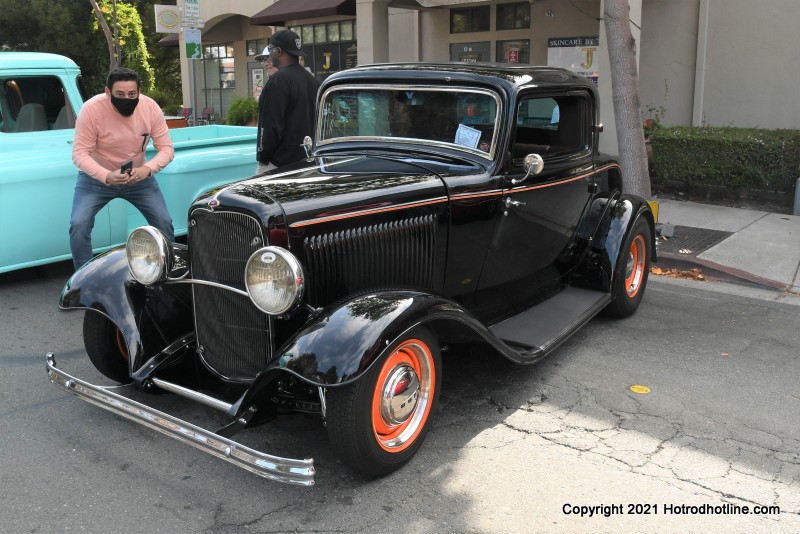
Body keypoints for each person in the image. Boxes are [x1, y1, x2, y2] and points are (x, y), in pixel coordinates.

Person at [69, 67, 175, 270]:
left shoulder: (150, 108)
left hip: (139, 178)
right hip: (96, 179)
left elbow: (167, 149)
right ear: (108, 92)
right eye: (119, 94)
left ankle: (168, 270)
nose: (126, 98)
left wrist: (148, 169)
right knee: (79, 224)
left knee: (163, 222)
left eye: (132, 94)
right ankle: (81, 279)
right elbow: (79, 153)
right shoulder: (92, 109)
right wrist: (106, 176)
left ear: (139, 92)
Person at [255, 29, 319, 174]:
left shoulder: (278, 80)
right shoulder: (312, 80)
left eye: (270, 50)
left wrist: (263, 159)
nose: (269, 56)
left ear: (278, 51)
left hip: (280, 164)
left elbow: (270, 125)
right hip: (308, 161)